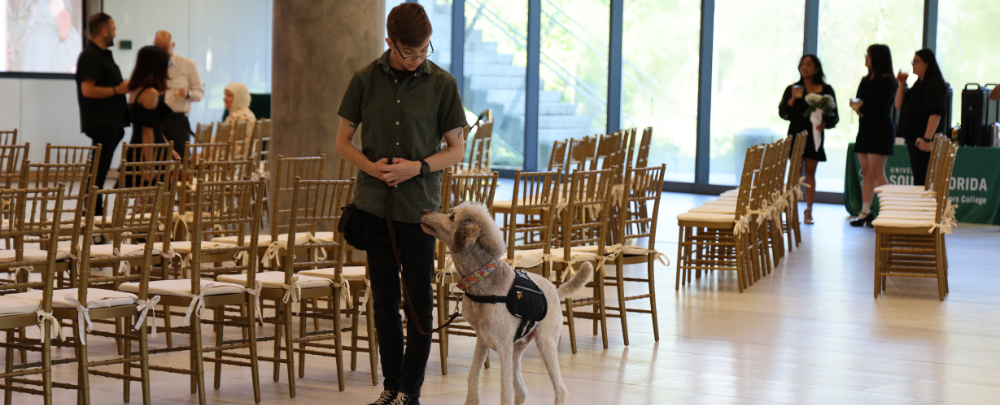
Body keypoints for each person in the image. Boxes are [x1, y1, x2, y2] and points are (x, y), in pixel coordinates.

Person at [335, 3, 467, 405]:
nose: (416, 59)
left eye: (424, 50)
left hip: (419, 209)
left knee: (418, 303)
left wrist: (417, 167)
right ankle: (390, 387)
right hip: (374, 207)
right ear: (390, 42)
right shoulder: (363, 80)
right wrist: (373, 170)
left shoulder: (442, 84)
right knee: (384, 302)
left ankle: (411, 391)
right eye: (409, 52)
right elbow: (342, 143)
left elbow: (457, 149)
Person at [75, 12, 129, 219]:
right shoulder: (91, 55)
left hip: (111, 122)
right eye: (113, 29)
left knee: (100, 167)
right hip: (101, 121)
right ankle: (92, 211)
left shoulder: (103, 54)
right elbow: (88, 90)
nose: (115, 34)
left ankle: (93, 209)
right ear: (104, 31)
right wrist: (118, 90)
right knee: (98, 168)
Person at [779, 54, 839, 225]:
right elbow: (783, 113)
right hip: (796, 134)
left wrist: (825, 123)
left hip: (815, 136)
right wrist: (792, 98)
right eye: (802, 64)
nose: (804, 67)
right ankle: (792, 210)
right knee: (795, 174)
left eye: (808, 65)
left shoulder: (826, 90)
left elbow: (834, 115)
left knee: (810, 173)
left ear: (817, 68)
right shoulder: (793, 88)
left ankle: (809, 210)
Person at [849, 45, 898, 227]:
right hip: (866, 126)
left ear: (877, 58)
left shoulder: (888, 81)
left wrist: (862, 108)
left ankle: (888, 211)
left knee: (877, 171)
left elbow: (881, 107)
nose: (866, 58)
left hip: (880, 127)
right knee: (866, 171)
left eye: (868, 55)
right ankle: (865, 211)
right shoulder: (865, 79)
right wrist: (857, 107)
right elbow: (860, 100)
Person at [122, 45, 174, 188]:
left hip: (141, 148)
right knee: (150, 201)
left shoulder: (135, 90)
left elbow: (152, 125)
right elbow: (147, 130)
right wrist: (149, 165)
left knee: (146, 200)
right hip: (149, 152)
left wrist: (168, 146)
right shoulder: (149, 93)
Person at [895, 49, 947, 186]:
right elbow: (898, 104)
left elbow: (936, 113)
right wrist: (901, 84)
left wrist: (927, 139)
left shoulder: (933, 83)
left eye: (916, 61)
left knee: (925, 180)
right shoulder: (919, 84)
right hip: (916, 141)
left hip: (926, 142)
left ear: (927, 64)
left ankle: (926, 207)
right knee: (919, 178)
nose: (913, 64)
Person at [154, 30, 204, 158]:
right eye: (157, 48)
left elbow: (199, 93)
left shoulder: (187, 64)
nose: (160, 52)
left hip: (178, 120)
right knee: (157, 161)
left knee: (181, 160)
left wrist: (187, 93)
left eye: (164, 48)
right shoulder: (151, 65)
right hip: (156, 119)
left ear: (173, 45)